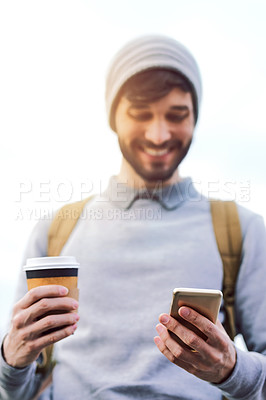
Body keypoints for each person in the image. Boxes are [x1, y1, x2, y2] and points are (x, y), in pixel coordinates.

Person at [0, 34, 266, 400]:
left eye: (177, 115)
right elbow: (18, 391)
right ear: (113, 117)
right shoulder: (56, 229)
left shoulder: (242, 230)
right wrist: (11, 360)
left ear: (196, 116)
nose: (159, 135)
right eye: (140, 114)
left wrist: (233, 371)